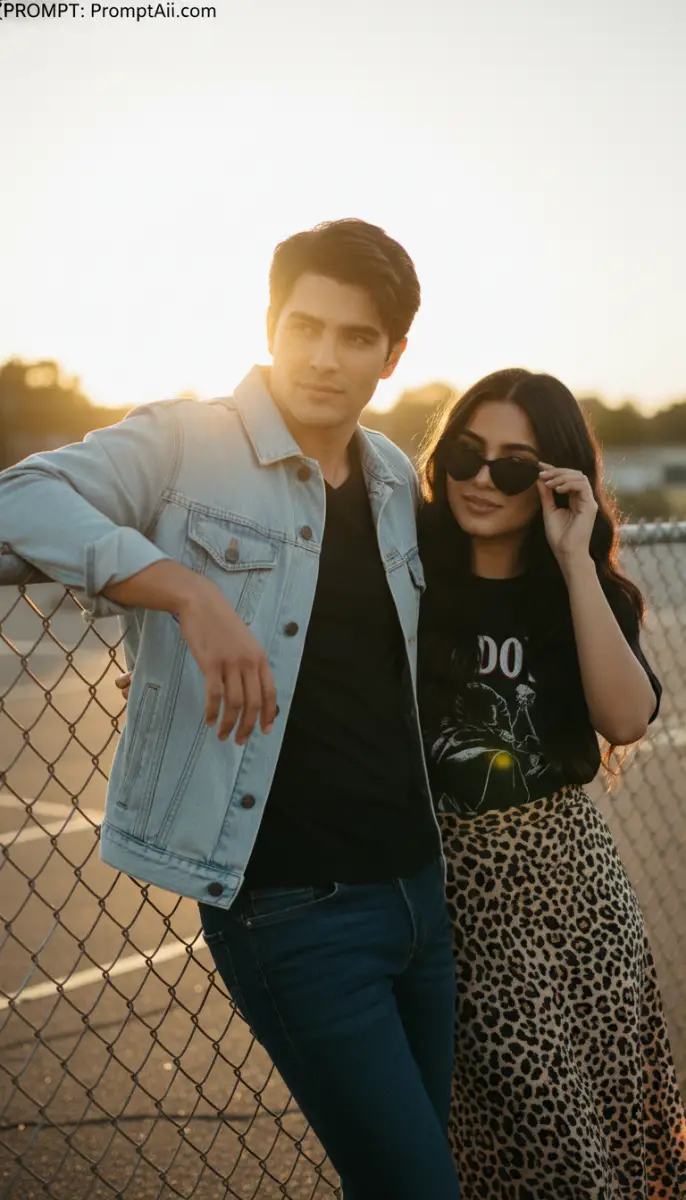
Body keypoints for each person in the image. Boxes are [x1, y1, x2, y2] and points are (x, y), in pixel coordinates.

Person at [0, 219, 462, 1199]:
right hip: (292, 908)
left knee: (415, 1170)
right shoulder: (184, 441)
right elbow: (17, 499)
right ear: (268, 325)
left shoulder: (389, 475)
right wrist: (183, 592)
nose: (324, 358)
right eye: (304, 327)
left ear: (392, 355)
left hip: (420, 889)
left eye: (355, 337)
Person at [417, 368, 686, 1198]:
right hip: (462, 901)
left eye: (513, 465)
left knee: (619, 1124)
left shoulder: (581, 590)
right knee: (544, 1149)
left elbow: (626, 719)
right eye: (467, 453)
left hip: (580, 894)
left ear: (553, 479)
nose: (481, 478)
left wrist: (574, 559)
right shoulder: (408, 574)